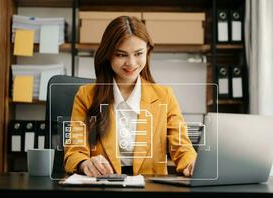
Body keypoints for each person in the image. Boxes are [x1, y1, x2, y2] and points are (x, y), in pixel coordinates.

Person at [64, 16, 196, 177]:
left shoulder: (164, 96)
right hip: (103, 188)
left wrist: (192, 163)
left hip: (150, 191)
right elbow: (74, 152)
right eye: (121, 55)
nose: (131, 63)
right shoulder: (86, 96)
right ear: (108, 55)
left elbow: (182, 147)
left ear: (147, 51)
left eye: (138, 53)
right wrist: (84, 163)